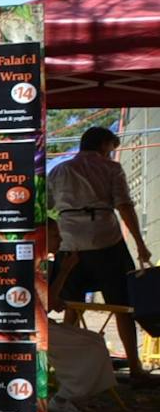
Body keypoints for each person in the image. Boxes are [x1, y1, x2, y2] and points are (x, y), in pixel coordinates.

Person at [49, 126, 153, 384]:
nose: (110, 154)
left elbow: (47, 205)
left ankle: (65, 370)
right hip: (107, 240)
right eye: (110, 149)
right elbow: (124, 206)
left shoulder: (60, 170)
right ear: (104, 145)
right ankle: (135, 368)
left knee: (71, 307)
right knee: (123, 307)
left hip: (70, 240)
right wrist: (140, 243)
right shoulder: (111, 168)